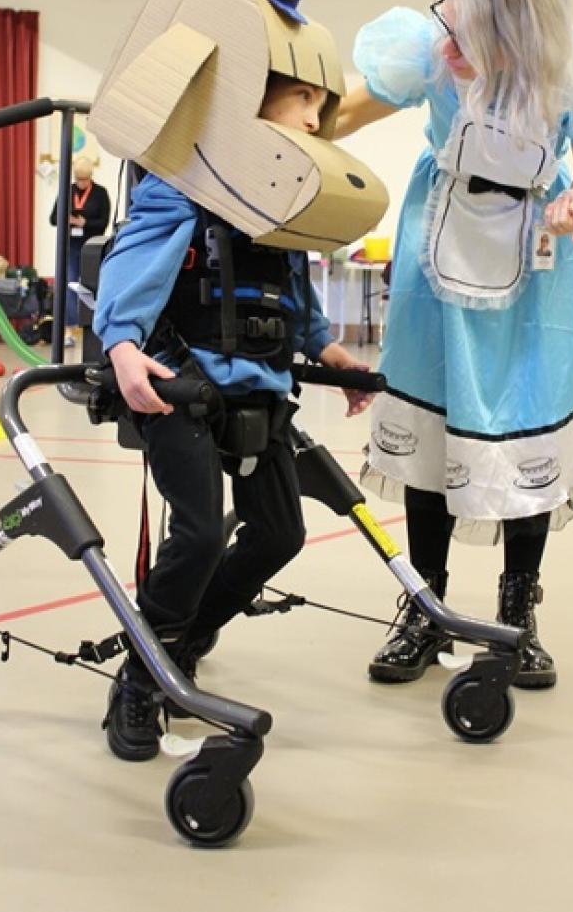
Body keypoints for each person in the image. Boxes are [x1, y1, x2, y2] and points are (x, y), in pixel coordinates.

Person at [333, 0, 573, 689]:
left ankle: (514, 618)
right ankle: (425, 610)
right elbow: (333, 117)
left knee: (521, 427)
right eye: (451, 26)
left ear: (520, 39)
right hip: (434, 254)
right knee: (433, 430)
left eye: (472, 37)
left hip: (536, 263)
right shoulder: (432, 56)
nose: (451, 46)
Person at [94, 70, 373, 762]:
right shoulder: (182, 186)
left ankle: (179, 644)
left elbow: (292, 294)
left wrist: (330, 351)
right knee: (194, 536)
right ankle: (138, 676)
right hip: (180, 387)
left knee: (279, 533)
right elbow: (129, 263)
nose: (314, 119)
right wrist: (122, 344)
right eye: (302, 99)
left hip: (261, 390)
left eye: (319, 105)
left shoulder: (281, 199)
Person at [49, 156, 110, 346]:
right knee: (69, 285)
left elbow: (104, 222)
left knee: (92, 287)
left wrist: (86, 223)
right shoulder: (67, 191)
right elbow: (53, 219)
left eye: (84, 180)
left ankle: (94, 329)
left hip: (91, 247)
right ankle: (69, 330)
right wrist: (68, 221)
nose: (81, 184)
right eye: (78, 180)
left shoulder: (100, 193)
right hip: (71, 246)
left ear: (91, 177)